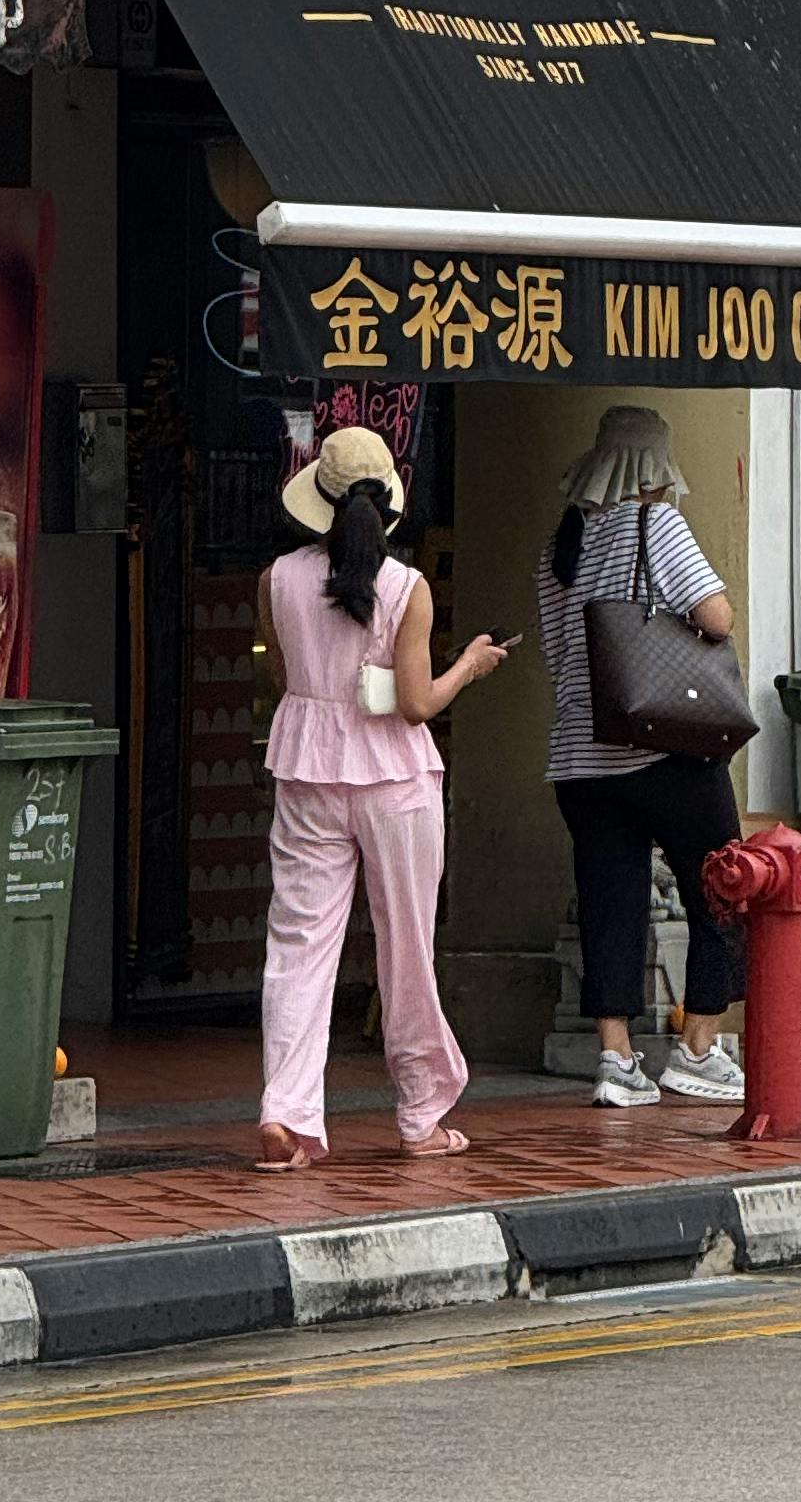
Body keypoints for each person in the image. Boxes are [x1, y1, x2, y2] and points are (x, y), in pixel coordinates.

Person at [257, 424, 508, 1170]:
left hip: (306, 769)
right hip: (395, 779)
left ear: (320, 501)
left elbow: (282, 677)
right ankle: (421, 1113)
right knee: (407, 948)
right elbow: (416, 704)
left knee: (299, 947)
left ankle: (287, 1115)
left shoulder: (276, 578)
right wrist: (471, 663)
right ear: (389, 505)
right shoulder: (407, 587)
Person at [537, 405, 746, 1110]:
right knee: (724, 885)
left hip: (580, 762)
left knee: (609, 903)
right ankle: (699, 1046)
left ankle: (616, 1058)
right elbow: (715, 616)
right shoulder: (656, 524)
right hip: (662, 749)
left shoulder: (559, 547)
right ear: (658, 468)